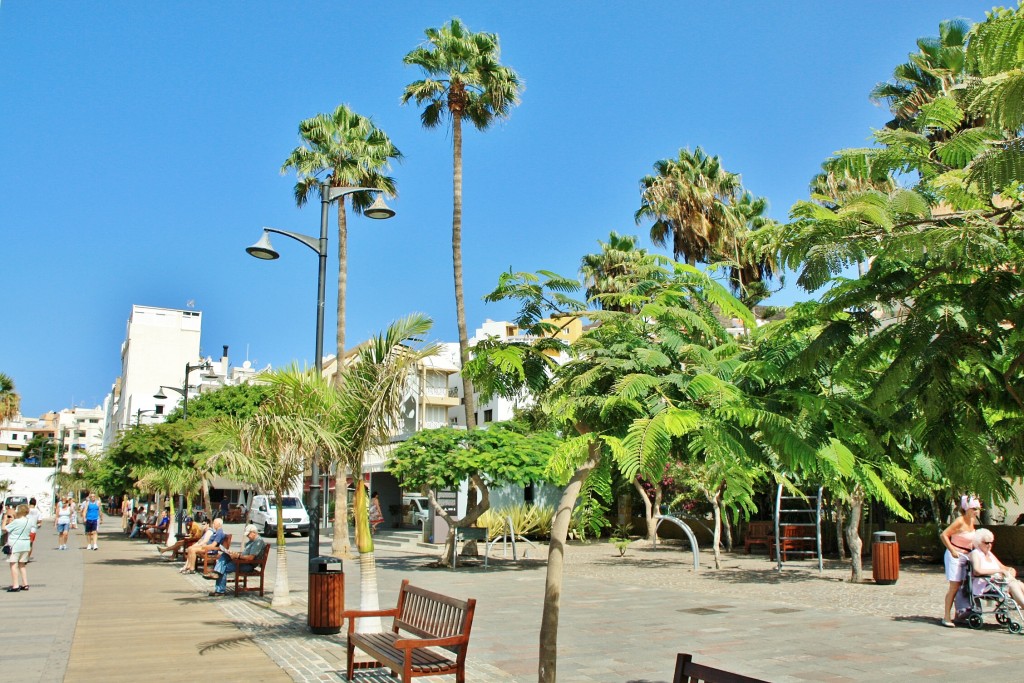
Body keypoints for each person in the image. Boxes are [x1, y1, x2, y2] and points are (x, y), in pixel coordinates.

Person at [940, 494, 982, 627]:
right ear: (967, 509)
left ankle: (959, 614)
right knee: (954, 585)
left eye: (978, 509)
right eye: (974, 509)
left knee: (964, 584)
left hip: (966, 556)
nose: (976, 511)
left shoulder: (972, 521)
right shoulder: (960, 521)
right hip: (955, 556)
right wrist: (952, 550)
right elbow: (944, 535)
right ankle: (946, 616)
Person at [969, 528, 1024, 607]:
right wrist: (998, 571)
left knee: (1019, 584)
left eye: (991, 542)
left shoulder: (989, 554)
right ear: (978, 542)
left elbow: (1002, 567)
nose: (989, 545)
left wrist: (1010, 569)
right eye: (986, 543)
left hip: (997, 584)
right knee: (1013, 585)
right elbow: (977, 571)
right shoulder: (975, 554)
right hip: (985, 585)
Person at [207, 524, 266, 597]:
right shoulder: (252, 541)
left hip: (248, 565)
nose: (247, 536)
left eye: (248, 534)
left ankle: (219, 589)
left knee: (223, 567)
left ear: (254, 532)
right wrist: (234, 554)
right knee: (224, 555)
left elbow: (251, 558)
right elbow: (245, 553)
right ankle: (217, 572)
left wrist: (238, 556)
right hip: (243, 561)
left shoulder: (258, 542)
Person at [4, 504, 32, 592]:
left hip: (15, 545)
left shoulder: (17, 522)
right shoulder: (29, 521)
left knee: (13, 565)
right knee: (22, 565)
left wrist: (5, 519)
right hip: (25, 544)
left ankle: (15, 585)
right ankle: (25, 584)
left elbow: (4, 529)